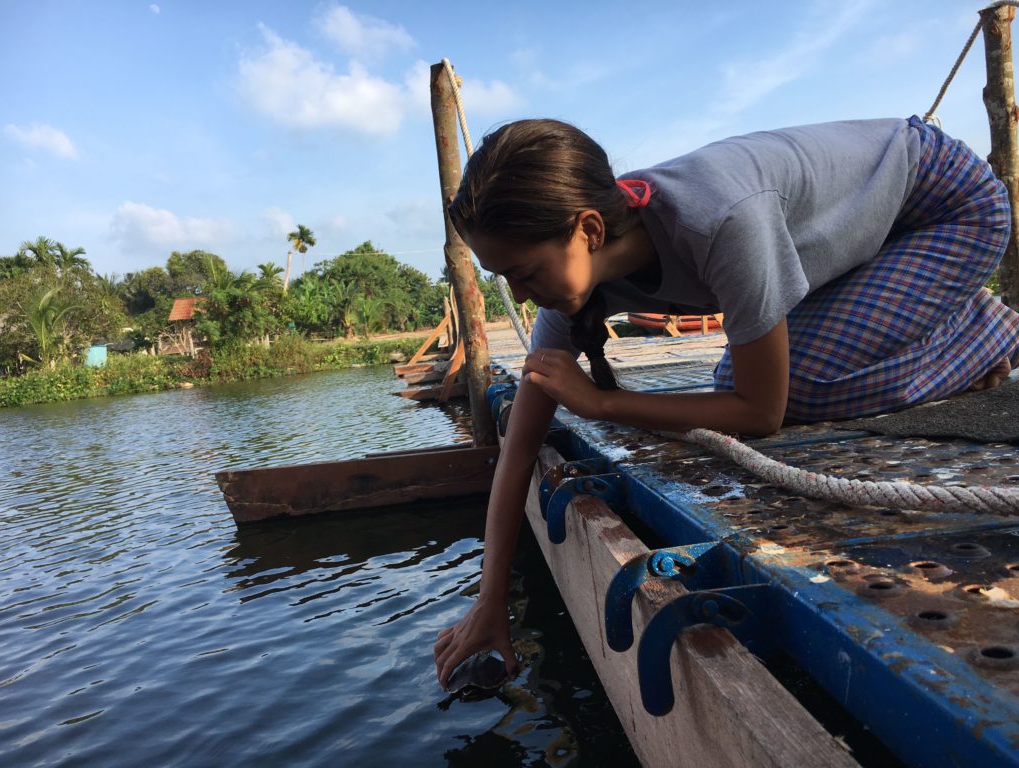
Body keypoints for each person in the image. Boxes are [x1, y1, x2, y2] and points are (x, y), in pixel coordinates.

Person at [433, 115, 1019, 687]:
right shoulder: (574, 284)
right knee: (736, 371)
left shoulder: (720, 222)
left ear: (588, 230)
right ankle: (946, 327)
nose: (519, 294)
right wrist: (490, 601)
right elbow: (518, 451)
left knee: (801, 388)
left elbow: (760, 413)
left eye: (524, 273)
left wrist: (601, 405)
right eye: (502, 278)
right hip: (851, 240)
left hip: (942, 207)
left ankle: (987, 333)